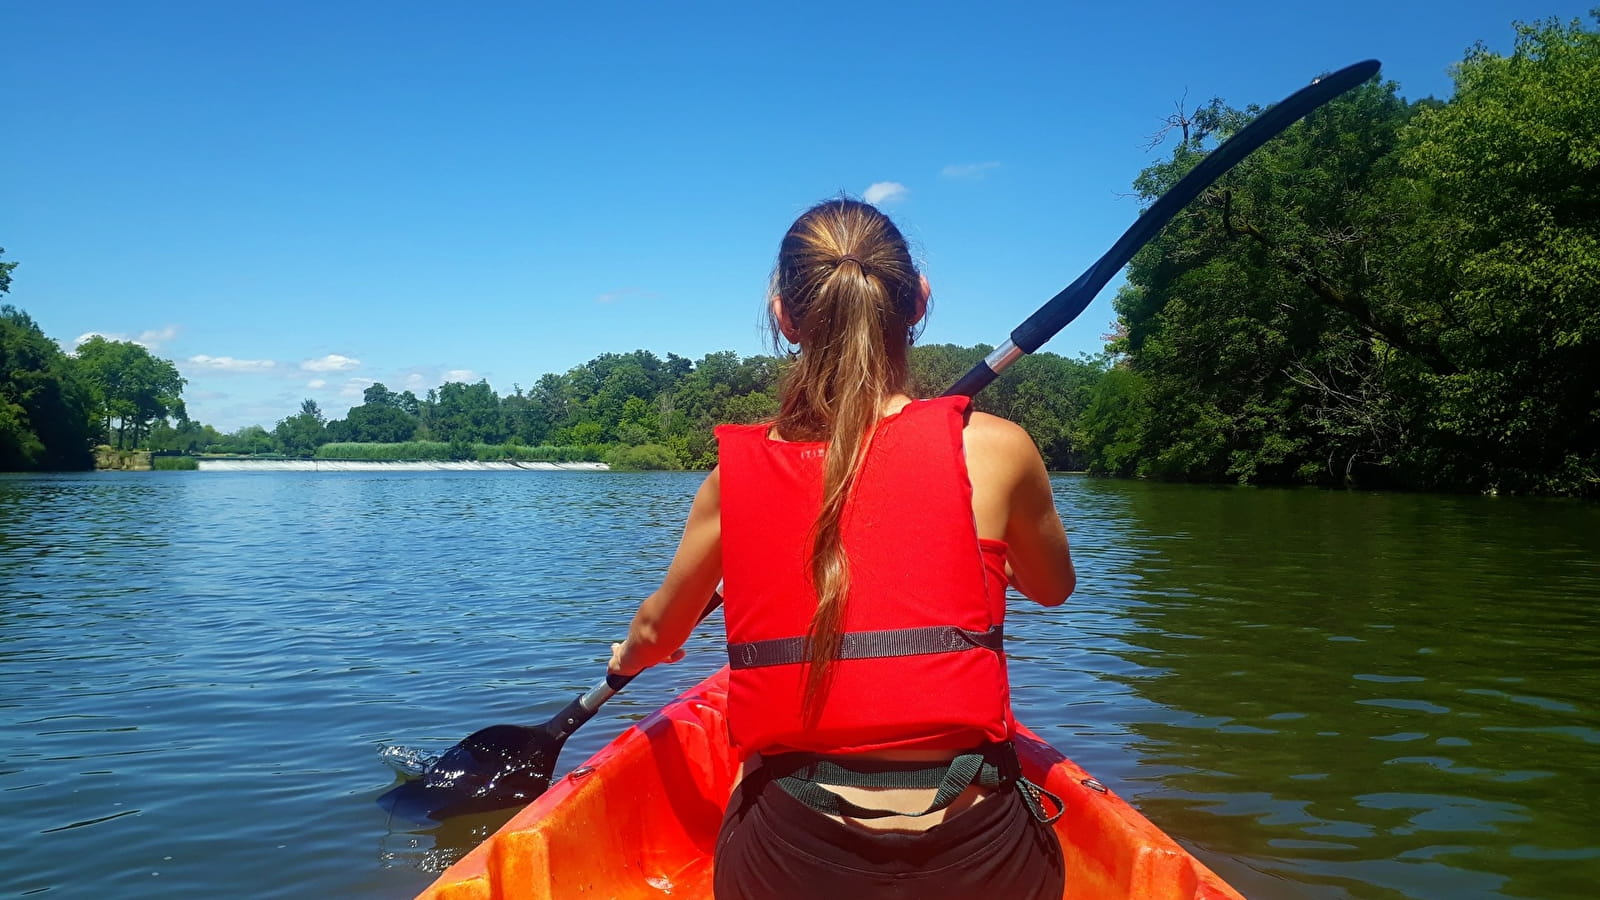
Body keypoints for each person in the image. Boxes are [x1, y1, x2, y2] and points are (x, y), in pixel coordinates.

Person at [608, 197, 1076, 899]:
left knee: (751, 772)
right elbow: (1053, 587)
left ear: (784, 316)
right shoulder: (1000, 449)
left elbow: (658, 629)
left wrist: (632, 656)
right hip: (980, 858)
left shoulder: (730, 481)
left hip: (795, 858)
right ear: (918, 301)